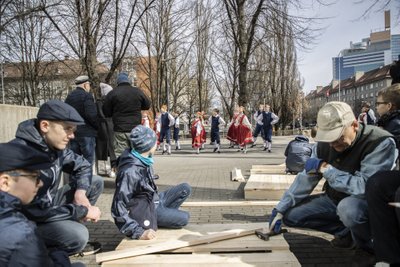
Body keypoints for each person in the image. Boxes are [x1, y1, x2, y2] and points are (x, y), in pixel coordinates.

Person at [268, 102, 397, 265]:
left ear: (354, 125)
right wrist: (280, 208)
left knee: (348, 209)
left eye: (337, 138)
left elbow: (365, 188)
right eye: (329, 139)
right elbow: (305, 179)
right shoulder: (324, 144)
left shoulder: (379, 143)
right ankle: (347, 234)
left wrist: (327, 169)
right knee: (291, 216)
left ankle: (368, 247)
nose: (333, 145)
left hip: (364, 204)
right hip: (334, 198)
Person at [11, 100, 103, 257]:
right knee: (79, 235)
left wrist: (80, 193)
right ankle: (40, 251)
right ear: (45, 126)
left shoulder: (54, 147)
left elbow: (83, 166)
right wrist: (82, 211)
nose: (72, 136)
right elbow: (35, 212)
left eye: (73, 130)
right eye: (67, 129)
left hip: (47, 207)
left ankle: (61, 237)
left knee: (95, 182)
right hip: (25, 222)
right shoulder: (22, 157)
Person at [0, 142, 83, 267]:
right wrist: (58, 254)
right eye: (35, 177)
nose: (40, 184)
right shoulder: (20, 232)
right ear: (5, 183)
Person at [111, 125, 191, 240]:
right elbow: (118, 207)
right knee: (185, 218)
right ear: (147, 146)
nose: (157, 144)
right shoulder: (130, 172)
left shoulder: (142, 158)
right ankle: (157, 218)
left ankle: (163, 216)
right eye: (155, 142)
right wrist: (137, 232)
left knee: (185, 188)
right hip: (146, 209)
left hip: (154, 199)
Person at [103, 72, 151, 159]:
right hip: (135, 128)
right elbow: (147, 105)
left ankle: (122, 170)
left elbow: (106, 112)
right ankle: (136, 170)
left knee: (120, 154)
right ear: (128, 81)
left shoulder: (113, 93)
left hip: (120, 129)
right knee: (136, 152)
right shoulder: (137, 91)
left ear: (118, 82)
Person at [65, 75, 98, 166]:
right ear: (85, 85)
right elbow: (91, 115)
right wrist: (97, 127)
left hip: (73, 132)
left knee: (74, 161)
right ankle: (86, 179)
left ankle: (75, 180)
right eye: (89, 85)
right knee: (88, 161)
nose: (89, 87)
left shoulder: (69, 96)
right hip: (87, 133)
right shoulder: (87, 96)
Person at [96, 82, 117, 178]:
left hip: (101, 126)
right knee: (112, 148)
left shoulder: (98, 102)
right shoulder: (112, 102)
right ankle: (112, 169)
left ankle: (102, 169)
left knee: (102, 148)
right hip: (111, 125)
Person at [375, 83, 400, 148]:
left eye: (378, 104)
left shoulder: (395, 126)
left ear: (389, 106)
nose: (376, 107)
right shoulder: (391, 122)